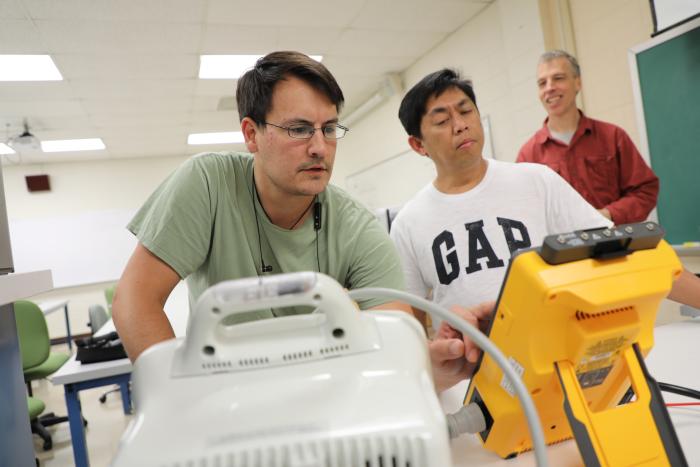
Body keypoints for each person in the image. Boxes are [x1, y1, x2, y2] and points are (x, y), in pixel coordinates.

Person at [111, 51, 477, 393]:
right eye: (300, 129)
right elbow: (135, 301)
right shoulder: (207, 183)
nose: (320, 147)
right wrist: (179, 398)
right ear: (251, 134)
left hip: (321, 394)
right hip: (223, 395)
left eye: (329, 129)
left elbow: (393, 337)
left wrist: (429, 363)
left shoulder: (357, 227)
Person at [391, 68, 700, 390]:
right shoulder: (408, 224)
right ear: (418, 145)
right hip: (473, 384)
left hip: (563, 370)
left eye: (466, 110)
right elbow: (408, 330)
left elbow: (628, 254)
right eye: (442, 121)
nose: (461, 124)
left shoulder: (536, 180)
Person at [517, 50, 659, 224]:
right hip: (562, 250)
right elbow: (522, 212)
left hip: (616, 246)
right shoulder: (528, 156)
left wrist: (608, 214)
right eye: (542, 83)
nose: (549, 88)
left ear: (577, 83)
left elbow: (645, 190)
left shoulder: (613, 137)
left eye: (558, 78)